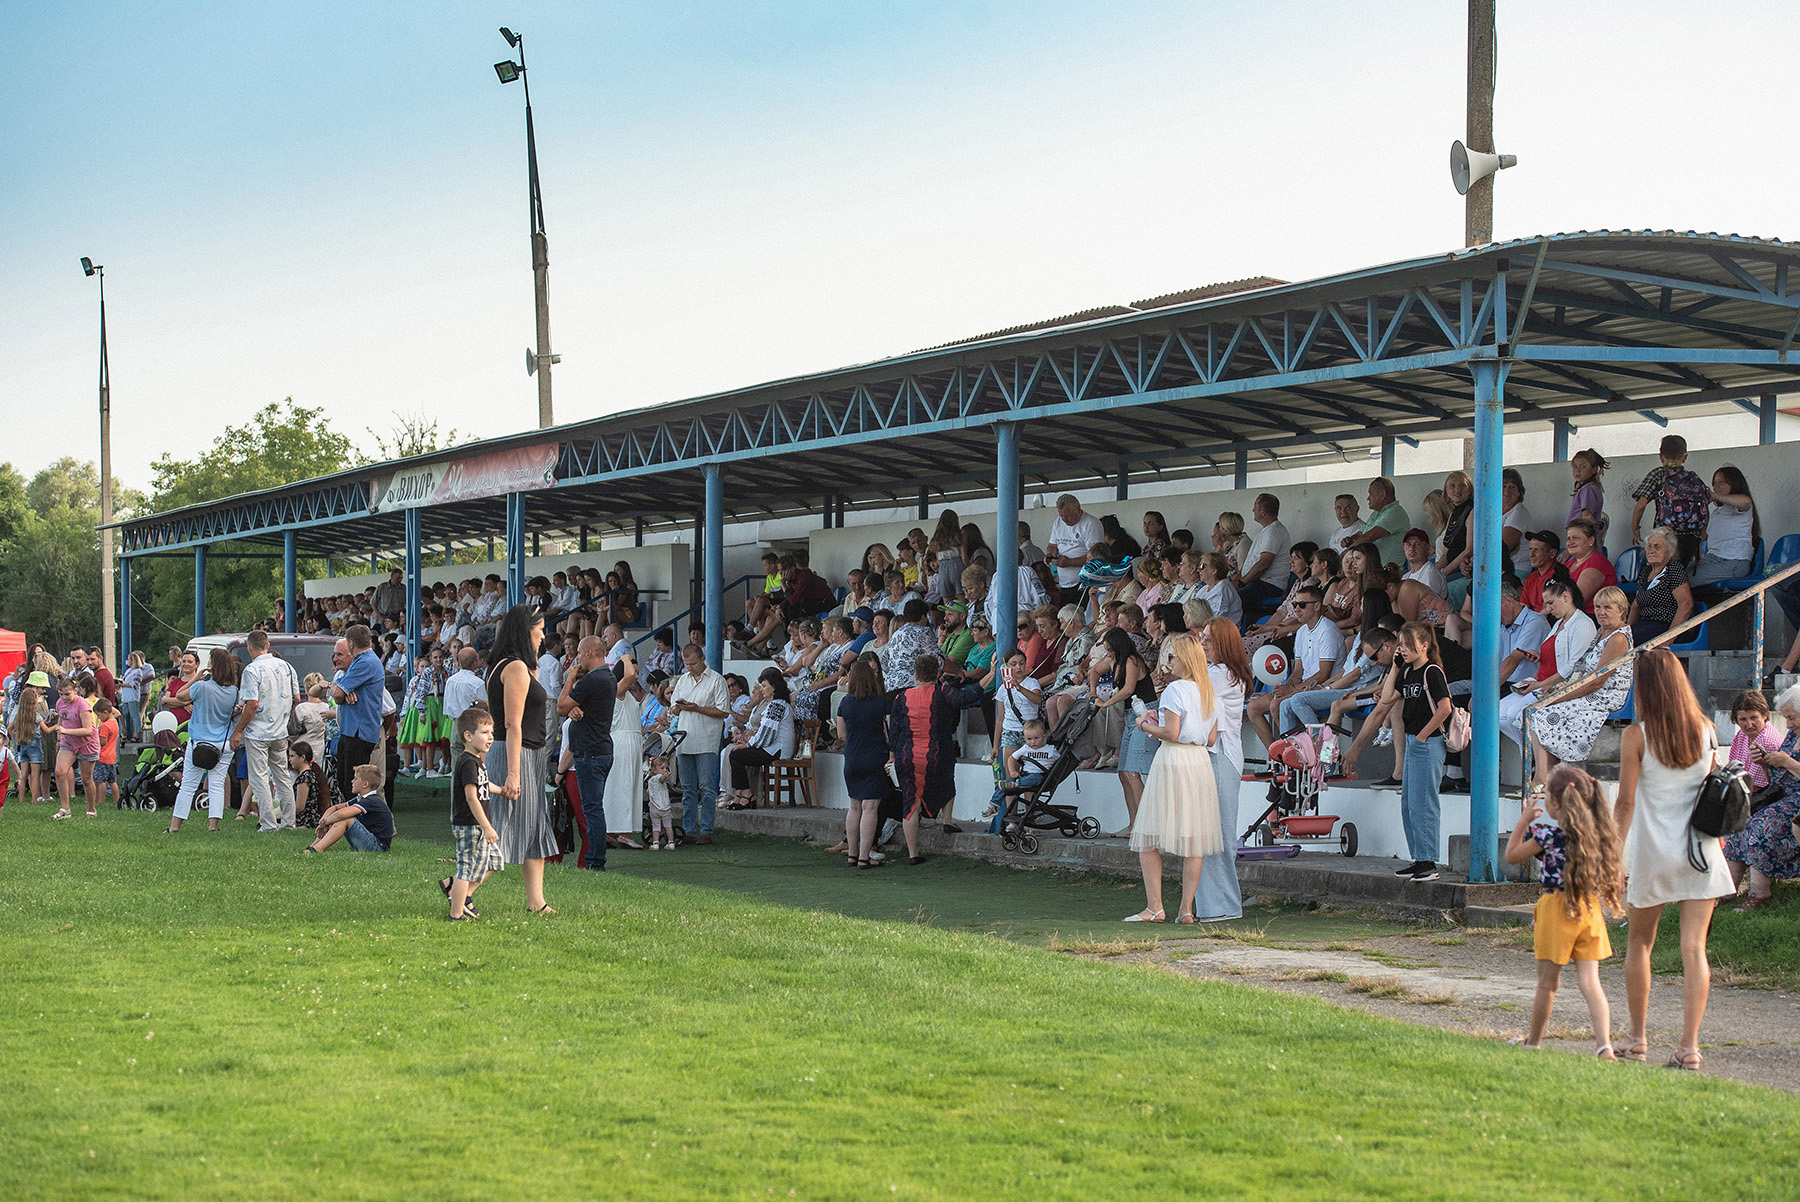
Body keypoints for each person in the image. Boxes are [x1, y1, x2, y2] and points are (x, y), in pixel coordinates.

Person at [1613, 648, 1735, 1070]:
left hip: (1655, 854)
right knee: (1694, 949)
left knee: (1639, 944)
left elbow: (1625, 803)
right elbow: (1711, 790)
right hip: (1701, 851)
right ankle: (1690, 1046)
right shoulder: (1706, 729)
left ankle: (1637, 1037)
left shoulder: (1637, 736)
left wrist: (1612, 857)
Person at [1503, 765, 1624, 1058]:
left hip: (1556, 908)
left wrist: (1523, 820)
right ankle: (1604, 1045)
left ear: (1556, 803)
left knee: (1548, 983)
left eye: (1546, 796)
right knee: (1591, 982)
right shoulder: (1599, 837)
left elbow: (1511, 856)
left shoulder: (1547, 837)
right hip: (1589, 908)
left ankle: (1534, 1041)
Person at [1125, 637, 1224, 923]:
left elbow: (1171, 732)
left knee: (1148, 836)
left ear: (1184, 659)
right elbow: (1211, 738)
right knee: (1193, 839)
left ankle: (1154, 906)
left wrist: (1144, 724)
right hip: (1199, 761)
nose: (1169, 663)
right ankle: (1186, 909)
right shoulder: (1209, 692)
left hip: (1173, 758)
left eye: (1172, 657)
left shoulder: (1175, 690)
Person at [485, 605, 560, 914]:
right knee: (505, 828)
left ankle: (536, 902)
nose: (543, 635)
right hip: (515, 756)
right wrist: (513, 774)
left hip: (528, 755)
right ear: (525, 631)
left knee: (535, 831)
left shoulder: (515, 665)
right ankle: (458, 886)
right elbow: (512, 724)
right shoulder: (514, 668)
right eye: (539, 629)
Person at [1527, 586, 1634, 795]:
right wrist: (1557, 691)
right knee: (1536, 709)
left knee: (1541, 713)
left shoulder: (1618, 638)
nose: (1601, 612)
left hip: (1604, 696)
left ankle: (1542, 778)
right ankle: (1548, 776)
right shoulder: (1603, 633)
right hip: (1590, 690)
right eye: (1598, 607)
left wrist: (1559, 698)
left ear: (1621, 610)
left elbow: (1597, 682)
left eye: (1608, 608)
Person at [888, 654, 985, 864]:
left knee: (910, 804)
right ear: (938, 674)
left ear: (915, 675)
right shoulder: (943, 692)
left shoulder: (901, 698)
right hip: (938, 753)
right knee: (947, 781)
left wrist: (891, 756)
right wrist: (992, 674)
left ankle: (913, 854)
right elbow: (968, 696)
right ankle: (947, 820)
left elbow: (894, 731)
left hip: (908, 755)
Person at [1381, 622, 1453, 882]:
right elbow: (1387, 698)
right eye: (1401, 645)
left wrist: (1423, 735)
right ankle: (1419, 857)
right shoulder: (1408, 672)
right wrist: (1395, 667)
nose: (1403, 649)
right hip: (1413, 740)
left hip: (1428, 742)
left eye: (1408, 645)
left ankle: (1429, 861)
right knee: (1409, 803)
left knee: (1424, 803)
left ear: (1424, 646)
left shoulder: (1432, 671)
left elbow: (1445, 708)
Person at [1723, 685, 1800, 912]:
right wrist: (1765, 764)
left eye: (1792, 718)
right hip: (1782, 795)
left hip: (1796, 801)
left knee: (1760, 824)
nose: (1788, 724)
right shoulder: (1793, 735)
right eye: (1786, 718)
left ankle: (1759, 893)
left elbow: (1788, 768)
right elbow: (1775, 780)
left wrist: (1787, 761)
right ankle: (1727, 891)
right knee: (1739, 822)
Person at [1500, 578, 1596, 751]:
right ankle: (1529, 755)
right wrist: (1538, 657)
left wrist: (1541, 684)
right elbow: (1553, 654)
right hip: (1541, 681)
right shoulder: (1558, 623)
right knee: (1498, 714)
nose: (1548, 609)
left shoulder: (1583, 623)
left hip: (1557, 686)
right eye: (1546, 604)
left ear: (1566, 596)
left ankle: (1531, 757)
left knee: (1515, 714)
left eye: (1551, 603)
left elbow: (1574, 666)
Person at [166, 649, 242, 833]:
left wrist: (196, 678)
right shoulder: (233, 691)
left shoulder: (202, 687)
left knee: (188, 785)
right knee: (217, 785)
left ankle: (175, 826)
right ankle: (213, 826)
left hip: (199, 742)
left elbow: (180, 696)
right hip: (222, 744)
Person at [561, 635, 619, 871]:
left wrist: (570, 678)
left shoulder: (592, 678)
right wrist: (574, 709)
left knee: (592, 810)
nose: (577, 658)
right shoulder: (608, 677)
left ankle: (595, 861)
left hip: (590, 752)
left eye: (579, 653)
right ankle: (595, 858)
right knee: (594, 808)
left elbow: (561, 705)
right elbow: (574, 707)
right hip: (601, 748)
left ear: (589, 653)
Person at [235, 629, 302, 831]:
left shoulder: (251, 670)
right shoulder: (287, 666)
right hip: (280, 731)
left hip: (258, 732)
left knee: (260, 778)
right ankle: (289, 821)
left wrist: (238, 730)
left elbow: (252, 704)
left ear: (249, 647)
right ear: (268, 645)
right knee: (282, 776)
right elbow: (297, 698)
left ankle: (268, 823)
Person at [442, 711, 501, 919]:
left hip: (478, 825)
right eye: (484, 733)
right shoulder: (467, 762)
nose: (490, 737)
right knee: (465, 869)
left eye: (491, 732)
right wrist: (486, 826)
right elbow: (471, 797)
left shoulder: (476, 760)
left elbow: (483, 784)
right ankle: (456, 913)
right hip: (470, 825)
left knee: (495, 861)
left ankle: (462, 895)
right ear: (468, 736)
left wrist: (501, 790)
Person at [669, 643, 730, 845]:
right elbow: (672, 709)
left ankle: (706, 830)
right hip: (685, 740)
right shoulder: (682, 680)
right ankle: (688, 831)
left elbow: (723, 711)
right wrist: (678, 707)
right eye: (687, 664)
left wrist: (697, 708)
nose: (690, 667)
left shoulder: (716, 680)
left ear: (703, 659)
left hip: (706, 739)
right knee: (687, 788)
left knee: (706, 787)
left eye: (693, 663)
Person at [834, 655, 891, 869]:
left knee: (854, 807)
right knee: (870, 808)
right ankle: (864, 857)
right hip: (875, 756)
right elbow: (889, 733)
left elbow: (841, 735)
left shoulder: (845, 703)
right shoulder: (881, 702)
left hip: (852, 757)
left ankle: (852, 854)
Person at [1629, 434, 1710, 565]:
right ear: (1685, 457)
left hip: (1665, 536)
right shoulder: (1693, 478)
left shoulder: (1658, 474)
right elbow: (1703, 510)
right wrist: (1700, 542)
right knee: (1680, 571)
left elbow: (1641, 504)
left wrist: (1635, 527)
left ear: (1660, 457)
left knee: (1661, 572)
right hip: (1690, 538)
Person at [721, 669, 795, 809]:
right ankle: (742, 794)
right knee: (736, 754)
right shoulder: (775, 704)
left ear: (774, 687)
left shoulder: (777, 705)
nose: (761, 689)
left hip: (777, 750)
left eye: (764, 686)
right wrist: (748, 742)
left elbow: (767, 735)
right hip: (772, 748)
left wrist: (749, 744)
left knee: (736, 756)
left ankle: (747, 794)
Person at [331, 626, 385, 806]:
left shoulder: (366, 662)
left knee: (354, 785)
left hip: (359, 732)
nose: (336, 659)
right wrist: (343, 689)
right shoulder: (361, 661)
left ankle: (362, 818)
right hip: (351, 730)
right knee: (344, 780)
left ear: (351, 643)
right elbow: (337, 690)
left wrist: (342, 690)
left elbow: (337, 694)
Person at [599, 650, 646, 850]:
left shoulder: (625, 694)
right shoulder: (617, 690)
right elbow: (628, 676)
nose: (636, 676)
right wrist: (626, 659)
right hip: (622, 742)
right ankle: (623, 833)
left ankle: (612, 832)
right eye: (634, 672)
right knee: (622, 786)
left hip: (630, 740)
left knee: (624, 786)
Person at [1689, 465, 1759, 590]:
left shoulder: (1741, 508)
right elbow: (1702, 536)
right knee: (1676, 575)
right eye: (1714, 483)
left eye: (1721, 482)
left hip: (1733, 562)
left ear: (1734, 484)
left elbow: (1745, 502)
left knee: (1682, 581)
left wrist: (1715, 496)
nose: (1716, 487)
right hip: (1712, 559)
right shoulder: (1717, 512)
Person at [304, 762, 394, 854]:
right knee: (335, 818)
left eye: (355, 779)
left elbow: (340, 814)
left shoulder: (372, 800)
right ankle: (312, 847)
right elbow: (335, 808)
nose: (352, 781)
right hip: (371, 842)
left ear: (365, 784)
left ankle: (317, 849)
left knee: (345, 819)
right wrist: (325, 819)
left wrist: (324, 824)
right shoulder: (360, 799)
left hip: (378, 847)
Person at [987, 716, 1059, 831]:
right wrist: (1013, 771)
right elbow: (1011, 758)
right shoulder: (1025, 748)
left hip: (1039, 776)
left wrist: (1053, 767)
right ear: (1024, 738)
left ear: (1044, 737)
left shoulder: (1050, 749)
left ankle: (1015, 785)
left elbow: (1059, 761)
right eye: (1029, 739)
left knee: (1034, 778)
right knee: (1004, 785)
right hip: (1024, 775)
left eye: (1036, 738)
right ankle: (993, 805)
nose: (1033, 742)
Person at [47, 674, 100, 820]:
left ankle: (91, 809)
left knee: (86, 779)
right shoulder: (60, 703)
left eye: (67, 694)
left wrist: (66, 731)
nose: (64, 697)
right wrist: (60, 737)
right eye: (61, 694)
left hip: (87, 743)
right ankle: (65, 808)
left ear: (75, 690)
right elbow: (62, 719)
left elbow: (88, 730)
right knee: (60, 772)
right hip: (69, 742)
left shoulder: (82, 705)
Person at [1627, 527, 1692, 645]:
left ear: (1670, 550)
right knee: (1617, 637)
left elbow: (1686, 604)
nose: (1651, 550)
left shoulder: (1674, 569)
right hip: (1646, 626)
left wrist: (1669, 637)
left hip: (1666, 626)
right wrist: (1625, 631)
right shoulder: (1646, 572)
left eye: (1657, 547)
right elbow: (1636, 606)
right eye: (1649, 546)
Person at [1230, 493, 1291, 611]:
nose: (1253, 510)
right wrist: (1238, 577)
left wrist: (1242, 582)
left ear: (1263, 512)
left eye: (1255, 507)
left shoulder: (1273, 531)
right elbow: (1251, 560)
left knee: (1233, 601)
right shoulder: (1266, 530)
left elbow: (1264, 564)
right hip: (1258, 582)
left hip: (1270, 584)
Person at [1047, 494, 1104, 604]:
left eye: (1068, 516)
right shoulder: (1058, 522)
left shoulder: (1091, 523)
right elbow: (1052, 545)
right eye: (1061, 516)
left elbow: (1096, 557)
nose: (1064, 520)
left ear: (1078, 510)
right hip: (1064, 583)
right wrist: (1050, 555)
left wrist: (1069, 562)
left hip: (1084, 583)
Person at [1346, 477, 1409, 568]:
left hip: (1387, 572)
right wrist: (1351, 539)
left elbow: (1368, 537)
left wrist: (1344, 555)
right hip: (1372, 570)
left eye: (1370, 493)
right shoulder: (1376, 513)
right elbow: (1361, 534)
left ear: (1382, 494)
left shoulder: (1395, 512)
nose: (1368, 498)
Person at [1567, 448, 1609, 545]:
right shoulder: (1588, 488)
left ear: (1594, 470)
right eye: (1575, 466)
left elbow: (1586, 518)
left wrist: (1577, 543)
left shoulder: (1588, 489)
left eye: (1583, 467)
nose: (1578, 470)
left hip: (1582, 539)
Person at [289, 741, 330, 828]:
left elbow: (300, 807)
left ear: (302, 757)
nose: (290, 760)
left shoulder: (304, 778)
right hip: (310, 817)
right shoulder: (310, 775)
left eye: (292, 756)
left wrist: (284, 815)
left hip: (305, 820)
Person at [92, 698, 121, 809]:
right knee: (112, 781)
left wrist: (96, 738)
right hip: (112, 757)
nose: (99, 718)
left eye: (99, 715)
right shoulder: (114, 722)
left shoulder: (105, 725)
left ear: (105, 712)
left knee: (100, 781)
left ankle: (101, 800)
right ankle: (117, 800)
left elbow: (103, 742)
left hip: (102, 757)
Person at [117, 651, 152, 743]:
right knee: (123, 714)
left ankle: (137, 734)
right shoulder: (128, 671)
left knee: (135, 715)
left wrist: (122, 685)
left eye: (129, 659)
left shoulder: (138, 671)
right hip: (126, 697)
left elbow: (135, 684)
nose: (127, 661)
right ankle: (123, 732)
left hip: (132, 696)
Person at [645, 756, 676, 849]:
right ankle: (671, 842)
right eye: (662, 768)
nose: (665, 770)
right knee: (668, 825)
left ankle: (655, 843)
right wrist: (665, 776)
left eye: (666, 768)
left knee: (656, 826)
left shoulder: (651, 780)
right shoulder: (658, 777)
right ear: (654, 770)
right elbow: (661, 779)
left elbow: (648, 791)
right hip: (665, 807)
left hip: (654, 806)